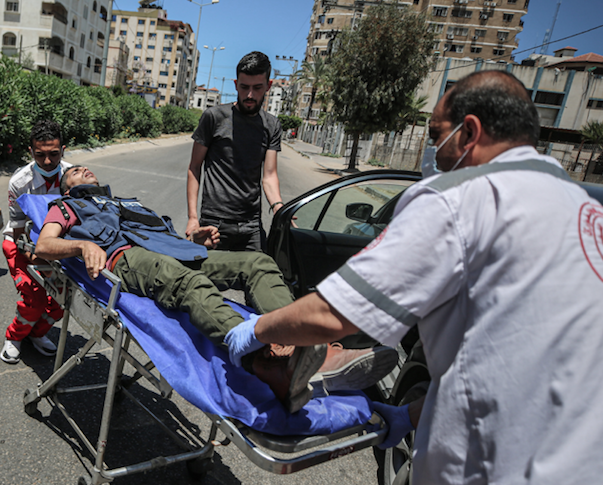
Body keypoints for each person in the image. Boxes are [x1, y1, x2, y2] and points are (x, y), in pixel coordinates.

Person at [226, 70, 603, 485]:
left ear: (468, 133)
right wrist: (412, 416)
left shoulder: (465, 197)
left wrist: (255, 330)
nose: (433, 153)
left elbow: (330, 312)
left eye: (435, 135)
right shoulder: (589, 217)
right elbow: (516, 368)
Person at [33, 165, 398, 413]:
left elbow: (166, 236)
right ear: (66, 187)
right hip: (129, 258)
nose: (84, 171)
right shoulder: (67, 206)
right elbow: (43, 246)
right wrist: (82, 245)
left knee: (257, 263)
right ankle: (269, 362)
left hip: (178, 253)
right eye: (75, 172)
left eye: (86, 168)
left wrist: (196, 239)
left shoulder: (129, 203)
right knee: (189, 283)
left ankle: (302, 345)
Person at [186, 51, 284, 252]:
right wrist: (193, 218)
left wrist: (279, 207)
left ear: (268, 86)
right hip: (214, 222)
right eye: (244, 87)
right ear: (236, 84)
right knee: (207, 272)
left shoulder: (272, 125)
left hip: (251, 225)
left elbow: (269, 175)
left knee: (261, 268)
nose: (250, 95)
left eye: (257, 88)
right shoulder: (214, 117)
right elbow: (195, 167)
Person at [0, 120, 72, 364]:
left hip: (58, 247)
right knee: (35, 299)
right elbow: (19, 231)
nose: (48, 161)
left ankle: (37, 333)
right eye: (40, 155)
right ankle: (14, 336)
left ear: (63, 150)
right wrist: (37, 260)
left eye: (54, 154)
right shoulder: (20, 183)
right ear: (31, 152)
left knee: (62, 301)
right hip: (21, 244)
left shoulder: (74, 176)